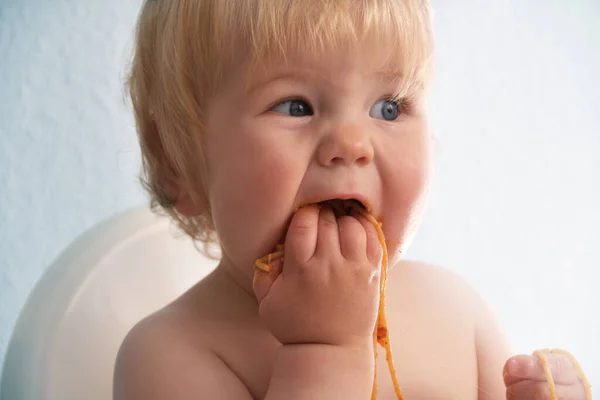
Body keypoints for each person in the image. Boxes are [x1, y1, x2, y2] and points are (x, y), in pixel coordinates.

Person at [113, 0, 591, 399]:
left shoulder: (456, 308)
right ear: (174, 159)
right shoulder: (167, 355)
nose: (352, 143)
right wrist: (324, 352)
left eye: (389, 107)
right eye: (295, 105)